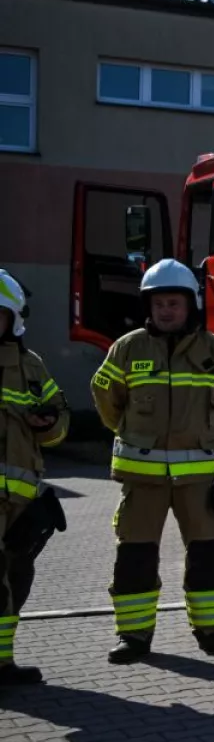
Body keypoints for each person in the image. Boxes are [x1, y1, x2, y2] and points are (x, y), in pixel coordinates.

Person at [90, 260, 214, 663]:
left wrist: (204, 439)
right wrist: (130, 431)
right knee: (135, 557)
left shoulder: (213, 349)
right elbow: (106, 399)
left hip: (197, 480)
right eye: (159, 303)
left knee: (208, 556)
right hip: (143, 479)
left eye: (174, 302)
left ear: (191, 304)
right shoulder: (127, 347)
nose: (166, 310)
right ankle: (133, 637)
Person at [1, 270, 70, 686]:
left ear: (13, 318)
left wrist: (47, 424)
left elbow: (60, 422)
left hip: (21, 501)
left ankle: (3, 664)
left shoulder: (31, 367)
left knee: (16, 579)